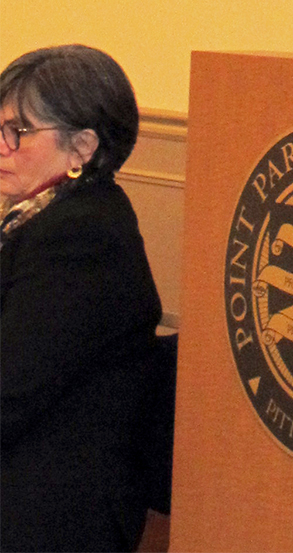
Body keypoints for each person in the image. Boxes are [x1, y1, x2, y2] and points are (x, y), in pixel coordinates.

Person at [0, 44, 163, 553]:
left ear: (82, 147)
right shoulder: (42, 217)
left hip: (52, 513)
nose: (1, 146)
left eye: (17, 133)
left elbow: (8, 392)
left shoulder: (83, 235)